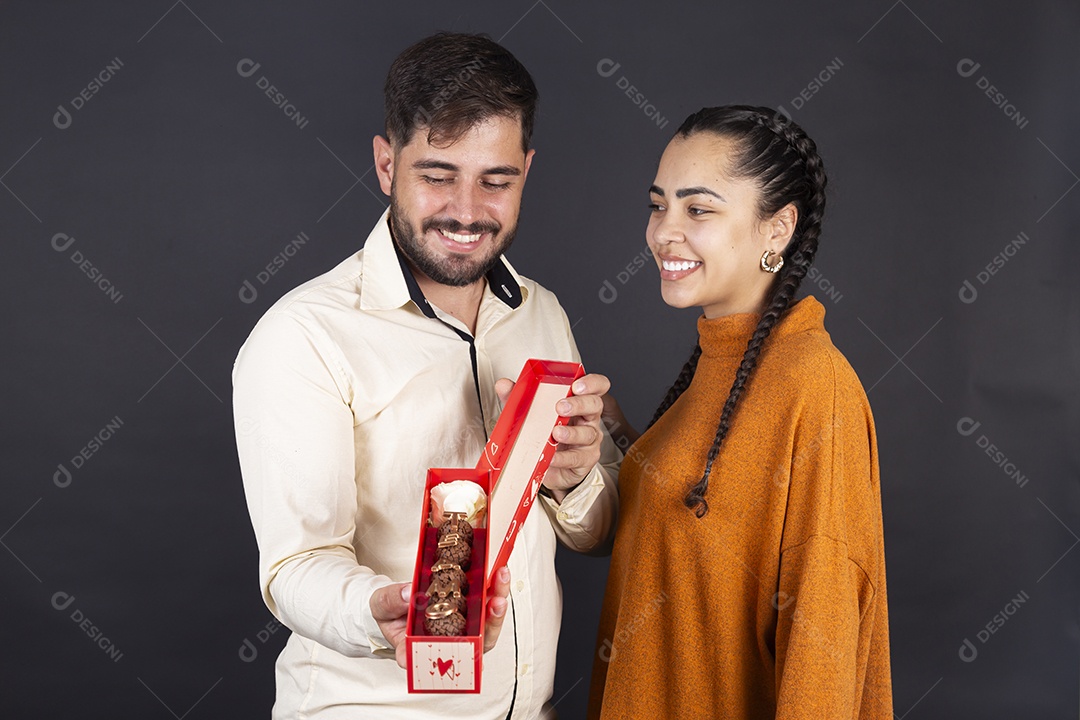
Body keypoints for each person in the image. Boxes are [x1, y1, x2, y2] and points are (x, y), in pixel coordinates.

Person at [233, 32, 619, 719]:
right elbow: (294, 566)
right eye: (438, 176)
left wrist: (576, 480)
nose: (467, 211)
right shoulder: (304, 336)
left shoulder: (544, 315)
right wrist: (376, 610)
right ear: (386, 164)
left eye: (496, 181)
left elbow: (589, 536)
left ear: (527, 170)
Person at [589, 106, 892, 718]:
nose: (663, 231)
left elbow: (823, 639)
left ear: (777, 229)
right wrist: (618, 439)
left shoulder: (813, 384)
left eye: (698, 209)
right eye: (657, 204)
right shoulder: (716, 365)